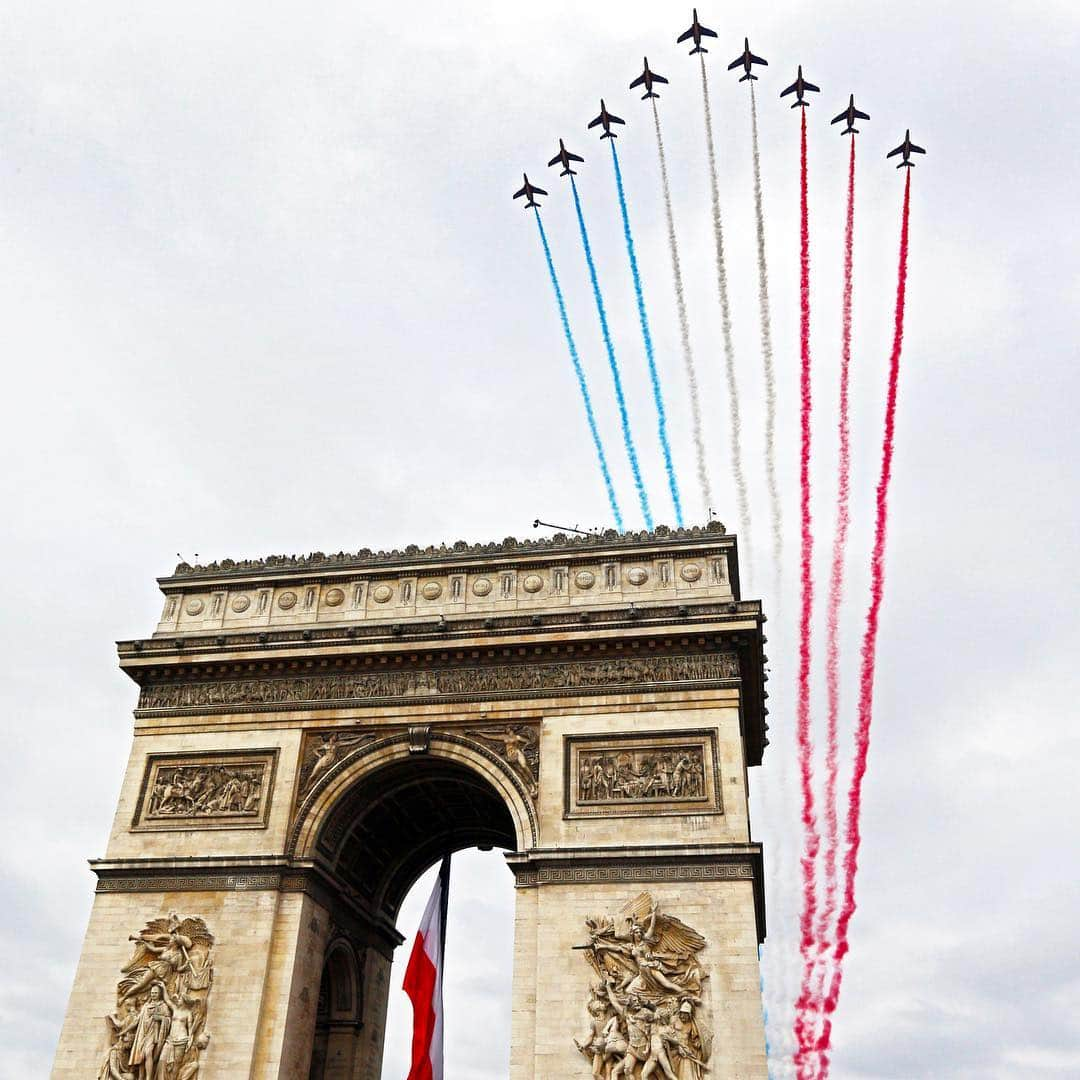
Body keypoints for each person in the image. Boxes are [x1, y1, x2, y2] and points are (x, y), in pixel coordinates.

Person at [127, 984, 171, 1080]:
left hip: (154, 1034)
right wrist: (125, 1031)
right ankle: (141, 1077)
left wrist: (160, 1018)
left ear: (159, 994)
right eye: (152, 993)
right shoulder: (146, 1006)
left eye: (155, 993)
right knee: (141, 1056)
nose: (153, 994)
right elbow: (137, 1020)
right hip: (143, 1034)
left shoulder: (163, 1006)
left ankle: (148, 1078)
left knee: (148, 1053)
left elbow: (168, 1019)